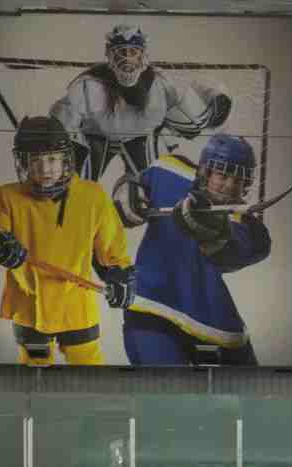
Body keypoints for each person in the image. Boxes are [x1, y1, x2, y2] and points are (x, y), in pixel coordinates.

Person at [0, 115, 134, 367]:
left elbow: (113, 248)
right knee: (36, 377)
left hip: (77, 306)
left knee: (90, 375)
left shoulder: (92, 196)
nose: (45, 168)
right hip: (30, 307)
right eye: (35, 160)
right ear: (23, 163)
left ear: (65, 159)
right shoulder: (5, 197)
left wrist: (121, 273)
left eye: (52, 159)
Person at [116, 133, 272, 365]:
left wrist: (213, 229)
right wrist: (125, 190)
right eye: (223, 174)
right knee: (165, 390)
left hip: (211, 320)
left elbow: (240, 250)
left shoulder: (246, 225)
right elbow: (135, 183)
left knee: (251, 390)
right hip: (153, 307)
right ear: (205, 171)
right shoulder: (168, 170)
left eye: (238, 180)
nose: (229, 186)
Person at [52, 23, 232, 182]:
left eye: (133, 51)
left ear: (143, 54)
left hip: (140, 139)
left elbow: (181, 123)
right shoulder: (88, 84)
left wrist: (205, 106)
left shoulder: (160, 85)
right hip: (95, 138)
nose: (127, 58)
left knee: (149, 190)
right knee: (77, 186)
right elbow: (62, 125)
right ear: (110, 54)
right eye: (122, 51)